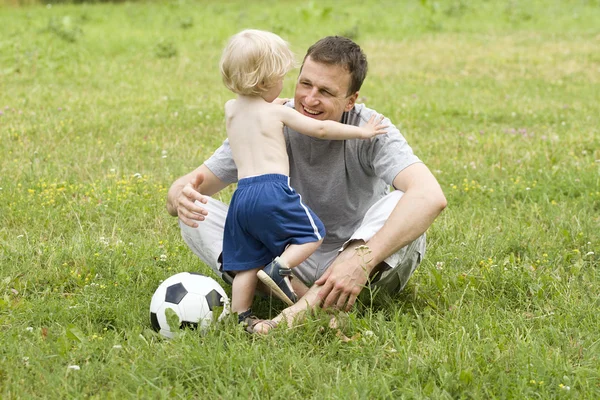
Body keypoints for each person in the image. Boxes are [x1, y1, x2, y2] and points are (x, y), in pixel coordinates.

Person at [166, 35, 447, 334]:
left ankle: (296, 312)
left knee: (403, 202)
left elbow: (430, 196)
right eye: (305, 84)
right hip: (286, 260)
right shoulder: (271, 118)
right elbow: (192, 185)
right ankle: (309, 302)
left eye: (325, 91)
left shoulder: (370, 127)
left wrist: (361, 262)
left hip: (360, 265)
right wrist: (178, 196)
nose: (310, 99)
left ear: (351, 100)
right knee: (196, 213)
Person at [217, 29, 388, 328]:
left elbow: (256, 110)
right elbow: (321, 130)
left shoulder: (231, 110)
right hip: (271, 189)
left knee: (246, 261)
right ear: (267, 80)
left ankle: (241, 316)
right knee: (312, 234)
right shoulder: (277, 115)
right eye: (285, 78)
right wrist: (363, 132)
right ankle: (279, 268)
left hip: (241, 197)